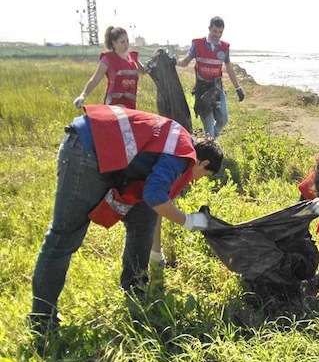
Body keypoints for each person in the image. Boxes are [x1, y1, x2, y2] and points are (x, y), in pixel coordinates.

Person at [29, 105, 223, 335]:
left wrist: (156, 255)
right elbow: (154, 195)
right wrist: (188, 221)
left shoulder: (180, 144)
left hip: (107, 155)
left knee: (144, 218)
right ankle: (43, 320)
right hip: (86, 151)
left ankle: (135, 290)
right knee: (64, 237)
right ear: (204, 164)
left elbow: (155, 205)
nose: (196, 180)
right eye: (204, 176)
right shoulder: (181, 153)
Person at [176, 16, 244, 138]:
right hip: (202, 90)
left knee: (223, 119)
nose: (217, 35)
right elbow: (186, 62)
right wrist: (174, 61)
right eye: (214, 31)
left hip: (217, 88)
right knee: (209, 127)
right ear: (209, 29)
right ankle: (210, 147)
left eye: (220, 32)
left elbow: (229, 67)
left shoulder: (224, 47)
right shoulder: (197, 44)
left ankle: (209, 143)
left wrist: (238, 88)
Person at [73, 26, 146, 110]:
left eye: (127, 40)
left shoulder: (133, 57)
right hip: (113, 105)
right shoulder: (108, 59)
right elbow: (95, 79)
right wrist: (83, 95)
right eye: (122, 42)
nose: (126, 44)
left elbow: (143, 71)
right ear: (114, 43)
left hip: (130, 105)